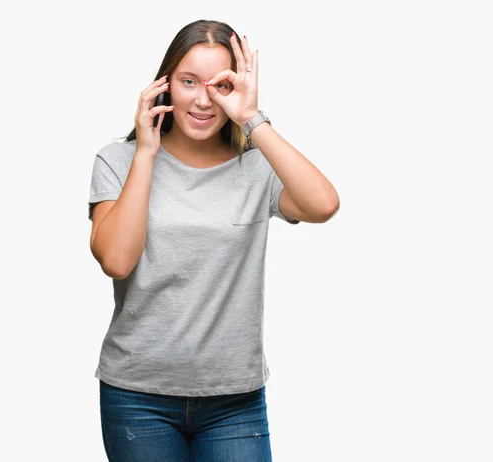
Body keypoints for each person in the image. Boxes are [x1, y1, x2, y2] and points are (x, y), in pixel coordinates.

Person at [87, 19, 339, 462]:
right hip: (137, 395)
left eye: (220, 85)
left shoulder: (257, 167)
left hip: (233, 400)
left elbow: (323, 205)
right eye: (188, 82)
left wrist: (251, 118)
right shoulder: (118, 160)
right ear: (165, 84)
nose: (204, 99)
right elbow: (117, 260)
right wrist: (146, 152)